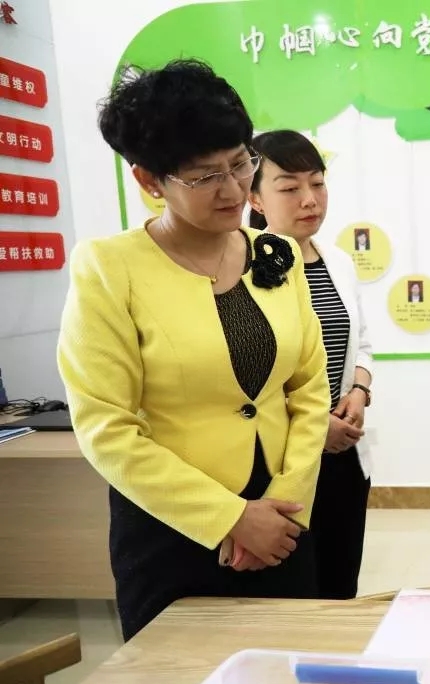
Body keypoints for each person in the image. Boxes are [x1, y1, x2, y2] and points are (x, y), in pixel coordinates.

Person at [57, 60, 330, 640]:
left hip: (282, 521)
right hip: (172, 526)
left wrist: (285, 501)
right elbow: (106, 427)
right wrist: (230, 518)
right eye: (205, 176)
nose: (233, 189)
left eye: (240, 163)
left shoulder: (277, 252)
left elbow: (308, 388)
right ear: (149, 180)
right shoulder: (109, 268)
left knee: (287, 670)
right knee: (182, 679)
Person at [248, 129, 375, 600]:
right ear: (254, 198)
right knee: (295, 591)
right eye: (289, 187)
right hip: (281, 461)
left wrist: (359, 391)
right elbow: (248, 375)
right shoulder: (243, 268)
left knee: (341, 584)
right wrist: (316, 426)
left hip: (344, 456)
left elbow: (362, 343)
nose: (310, 199)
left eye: (318, 183)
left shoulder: (337, 260)